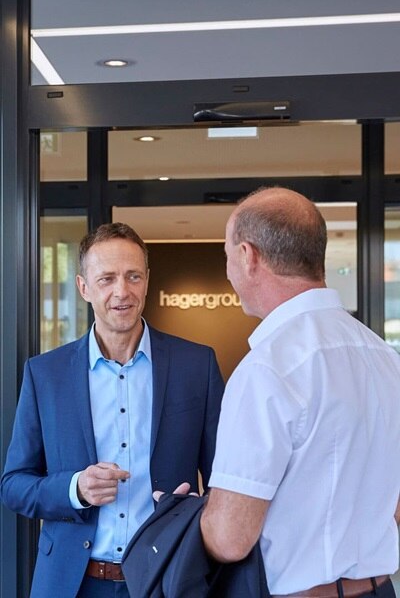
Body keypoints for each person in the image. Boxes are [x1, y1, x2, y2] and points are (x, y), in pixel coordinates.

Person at [1, 222, 224, 598]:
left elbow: (224, 478)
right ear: (83, 287)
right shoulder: (45, 374)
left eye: (133, 276)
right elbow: (14, 485)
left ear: (147, 280)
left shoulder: (196, 365)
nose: (122, 291)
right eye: (106, 279)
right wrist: (75, 488)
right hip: (71, 584)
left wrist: (195, 515)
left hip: (167, 580)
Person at [197, 187, 400, 598]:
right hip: (379, 589)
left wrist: (183, 516)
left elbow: (229, 539)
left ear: (248, 256)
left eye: (227, 254)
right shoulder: (384, 356)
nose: (229, 270)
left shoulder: (266, 369)